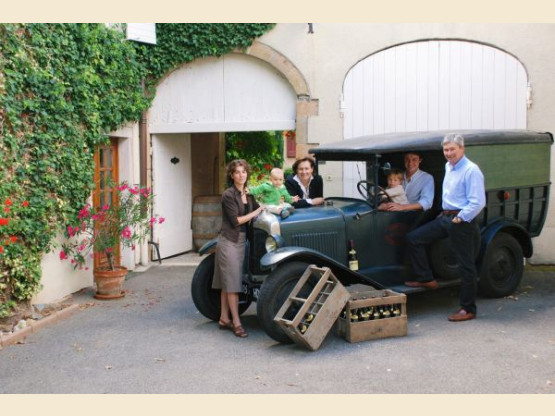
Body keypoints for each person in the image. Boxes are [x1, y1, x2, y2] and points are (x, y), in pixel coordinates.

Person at [404, 133, 485, 322]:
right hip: (445, 217)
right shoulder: (449, 166)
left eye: (452, 149)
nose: (448, 153)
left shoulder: (471, 170)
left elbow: (478, 202)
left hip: (461, 221)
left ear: (462, 149)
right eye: (446, 150)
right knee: (414, 238)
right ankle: (426, 278)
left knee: (466, 265)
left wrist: (460, 218)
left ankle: (468, 308)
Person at [212, 159, 264, 338]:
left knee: (228, 281)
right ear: (232, 175)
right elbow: (237, 221)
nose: (241, 175)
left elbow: (260, 209)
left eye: (243, 172)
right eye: (237, 172)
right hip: (229, 241)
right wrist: (256, 212)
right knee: (233, 284)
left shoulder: (248, 194)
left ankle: (223, 318)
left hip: (241, 241)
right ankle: (237, 323)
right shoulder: (228, 194)